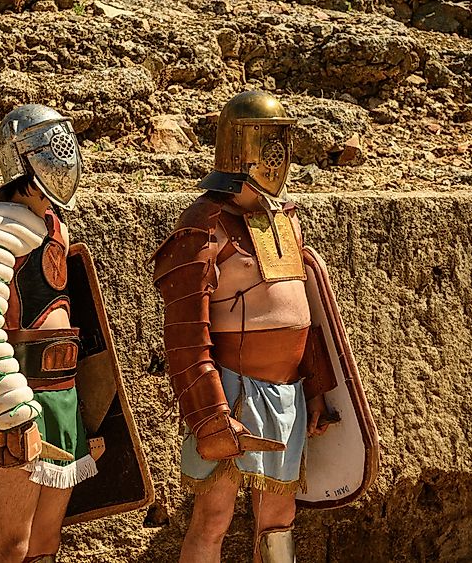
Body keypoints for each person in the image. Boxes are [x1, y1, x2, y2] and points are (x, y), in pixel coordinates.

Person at [152, 91, 340, 562]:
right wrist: (209, 413)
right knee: (213, 517)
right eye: (266, 140)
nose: (277, 154)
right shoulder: (204, 224)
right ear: (239, 147)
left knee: (279, 520)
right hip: (232, 392)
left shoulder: (284, 220)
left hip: (288, 394)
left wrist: (315, 387)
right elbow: (184, 334)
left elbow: (305, 311)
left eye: (281, 140)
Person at [0, 104, 95, 563]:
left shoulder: (55, 225)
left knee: (45, 544)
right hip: (21, 398)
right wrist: (14, 412)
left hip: (64, 396)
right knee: (10, 545)